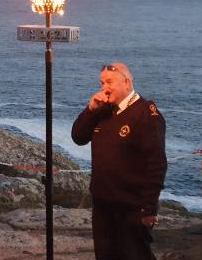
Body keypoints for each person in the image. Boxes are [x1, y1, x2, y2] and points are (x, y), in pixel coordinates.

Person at [71, 63, 167, 260]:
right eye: (102, 83)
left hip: (131, 207)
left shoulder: (146, 114)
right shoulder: (103, 111)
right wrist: (90, 109)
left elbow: (156, 163)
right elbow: (78, 137)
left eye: (109, 82)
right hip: (103, 206)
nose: (104, 87)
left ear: (127, 82)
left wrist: (149, 208)